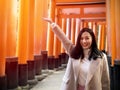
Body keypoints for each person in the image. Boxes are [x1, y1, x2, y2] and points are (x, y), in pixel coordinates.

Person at [43, 18, 110, 90]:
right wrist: (53, 25)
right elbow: (64, 39)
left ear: (92, 39)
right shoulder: (74, 51)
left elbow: (105, 79)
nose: (84, 41)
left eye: (87, 38)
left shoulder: (101, 57)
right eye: (81, 38)